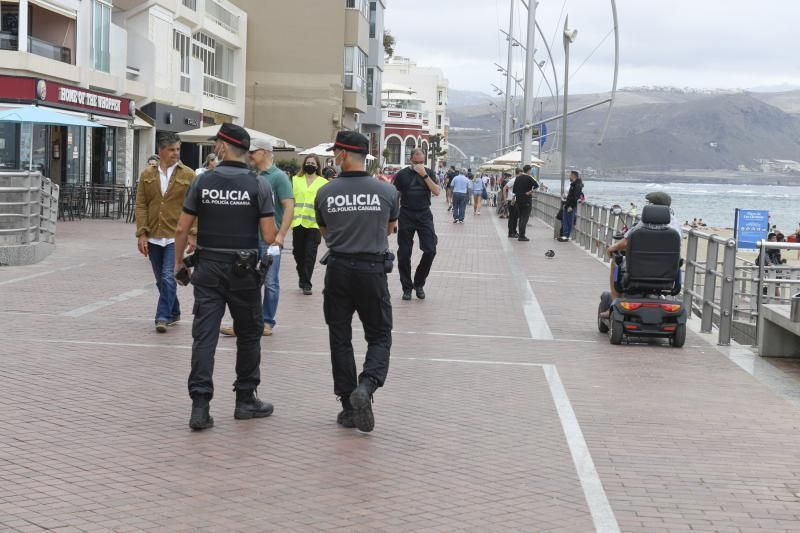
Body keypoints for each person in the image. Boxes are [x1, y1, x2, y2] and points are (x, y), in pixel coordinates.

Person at [173, 123, 278, 431]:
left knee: (204, 335)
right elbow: (269, 235)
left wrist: (179, 263)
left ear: (223, 147)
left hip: (207, 266)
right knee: (248, 334)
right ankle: (245, 400)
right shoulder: (259, 185)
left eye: (217, 143)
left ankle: (200, 406)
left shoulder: (202, 182)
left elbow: (181, 228)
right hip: (243, 270)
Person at [315, 131, 400, 433]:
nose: (333, 158)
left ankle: (348, 406)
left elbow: (325, 232)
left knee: (340, 337)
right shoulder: (387, 192)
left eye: (335, 152)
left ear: (343, 154)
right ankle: (367, 385)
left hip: (337, 269)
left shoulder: (325, 192)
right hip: (372, 271)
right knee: (379, 335)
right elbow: (390, 229)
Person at [220, 138, 294, 338]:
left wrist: (281, 235)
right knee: (245, 282)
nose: (249, 155)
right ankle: (242, 323)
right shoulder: (250, 176)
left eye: (253, 152)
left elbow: (289, 206)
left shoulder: (278, 177)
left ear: (264, 152)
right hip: (249, 239)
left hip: (270, 240)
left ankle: (266, 322)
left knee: (270, 282)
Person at [135, 132, 197, 333]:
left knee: (168, 277)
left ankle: (162, 316)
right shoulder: (147, 175)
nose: (175, 153)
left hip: (175, 236)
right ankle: (175, 310)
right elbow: (141, 205)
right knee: (161, 280)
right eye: (171, 150)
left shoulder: (188, 174)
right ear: (160, 150)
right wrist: (142, 234)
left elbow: (195, 206)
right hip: (153, 234)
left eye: (177, 149)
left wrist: (193, 233)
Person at [605, 191, 682, 300]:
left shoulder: (644, 223)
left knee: (615, 263)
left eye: (648, 203)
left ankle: (614, 301)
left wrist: (612, 248)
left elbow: (626, 242)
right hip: (667, 273)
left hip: (638, 271)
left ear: (652, 205)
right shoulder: (676, 226)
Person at [392, 148, 441, 301]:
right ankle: (407, 288)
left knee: (430, 250)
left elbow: (437, 191)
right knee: (404, 253)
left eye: (422, 162)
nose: (419, 164)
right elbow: (395, 196)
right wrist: (393, 218)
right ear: (411, 160)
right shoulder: (402, 175)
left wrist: (424, 174)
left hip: (424, 214)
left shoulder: (429, 173)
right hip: (406, 214)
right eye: (416, 162)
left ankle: (419, 283)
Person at [291, 155, 328, 295]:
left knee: (309, 254)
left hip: (314, 224)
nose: (310, 165)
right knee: (298, 253)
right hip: (298, 222)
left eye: (313, 163)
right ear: (304, 164)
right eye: (308, 162)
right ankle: (302, 276)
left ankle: (307, 283)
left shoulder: (323, 182)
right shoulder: (295, 180)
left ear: (317, 166)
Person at [512, 164, 539, 242]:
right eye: (530, 171)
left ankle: (520, 234)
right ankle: (522, 235)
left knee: (521, 217)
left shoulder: (517, 178)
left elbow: (514, 191)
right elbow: (537, 185)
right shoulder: (529, 178)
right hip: (527, 200)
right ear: (529, 170)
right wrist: (530, 191)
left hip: (518, 200)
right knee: (525, 218)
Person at [559, 170, 584, 242]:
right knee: (565, 221)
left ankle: (566, 236)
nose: (569, 177)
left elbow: (575, 197)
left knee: (568, 221)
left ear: (573, 176)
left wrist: (571, 206)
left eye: (570, 175)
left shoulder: (577, 185)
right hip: (568, 205)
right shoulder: (574, 184)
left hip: (570, 206)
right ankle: (564, 236)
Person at [504, 168, 522, 237]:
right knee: (512, 217)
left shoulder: (518, 180)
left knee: (515, 217)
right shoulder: (513, 180)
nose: (522, 175)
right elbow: (505, 188)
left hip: (516, 201)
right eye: (521, 174)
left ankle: (514, 231)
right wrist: (505, 199)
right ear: (518, 173)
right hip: (511, 200)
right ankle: (511, 233)